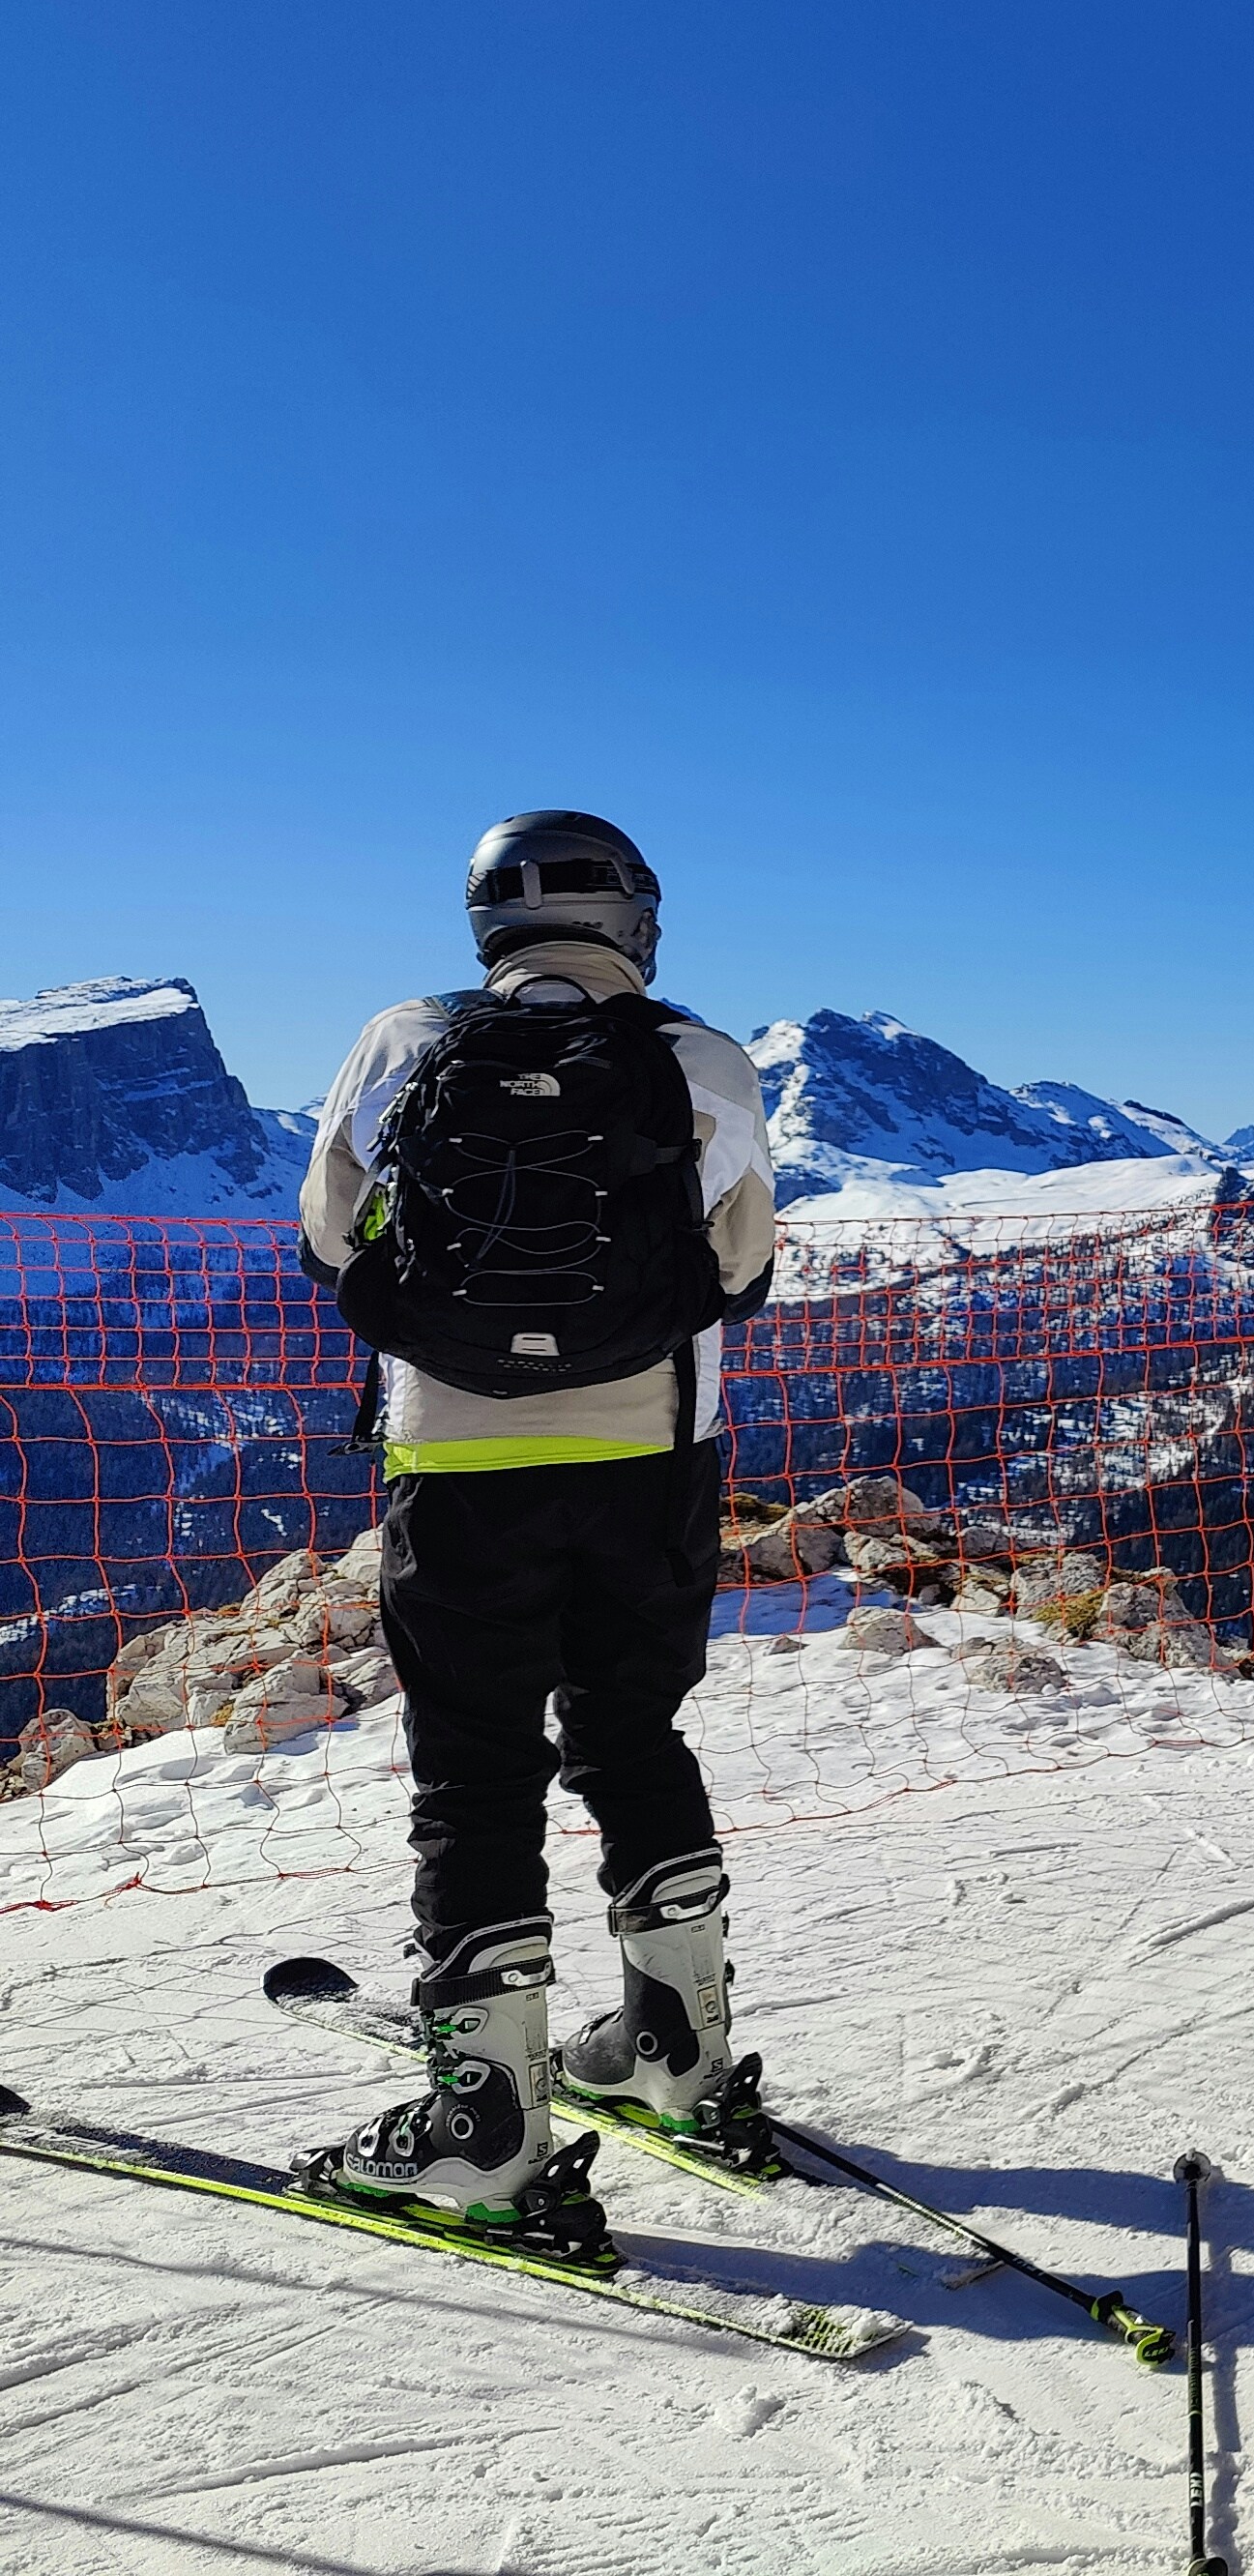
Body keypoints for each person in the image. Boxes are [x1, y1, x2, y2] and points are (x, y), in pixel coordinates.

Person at [295, 812, 776, 2233]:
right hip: (653, 1462)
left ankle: (484, 2122)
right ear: (638, 919)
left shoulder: (402, 1041)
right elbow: (740, 1267)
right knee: (635, 1734)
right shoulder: (700, 1058)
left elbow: (330, 1239)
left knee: (476, 1774)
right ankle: (674, 2054)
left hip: (457, 1465)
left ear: (486, 924)